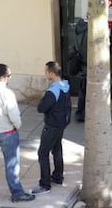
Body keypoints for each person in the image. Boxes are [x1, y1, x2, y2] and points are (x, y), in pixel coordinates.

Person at [0, 64, 35, 202]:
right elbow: (14, 115)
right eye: (9, 76)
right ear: (3, 78)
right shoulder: (7, 93)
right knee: (11, 165)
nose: (10, 78)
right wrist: (17, 126)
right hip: (7, 132)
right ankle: (17, 193)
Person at [32, 61, 72, 195]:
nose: (45, 73)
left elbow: (41, 108)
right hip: (61, 124)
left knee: (42, 153)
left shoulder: (53, 90)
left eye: (46, 71)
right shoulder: (65, 86)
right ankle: (58, 177)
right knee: (57, 150)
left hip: (51, 125)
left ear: (51, 73)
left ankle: (45, 184)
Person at [73, 18, 88, 122]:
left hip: (82, 63)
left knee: (83, 89)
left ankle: (80, 113)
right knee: (86, 89)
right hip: (88, 63)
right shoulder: (88, 31)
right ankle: (81, 113)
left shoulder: (78, 29)